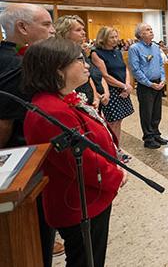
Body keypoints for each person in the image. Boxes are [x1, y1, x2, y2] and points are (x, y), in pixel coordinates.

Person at [22, 38, 127, 267]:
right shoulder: (52, 111)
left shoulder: (60, 99)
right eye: (80, 60)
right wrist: (116, 175)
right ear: (57, 69)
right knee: (86, 260)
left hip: (87, 198)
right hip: (79, 202)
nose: (87, 64)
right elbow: (83, 162)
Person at [0, 3, 59, 265]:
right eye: (46, 24)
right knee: (35, 239)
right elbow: (4, 123)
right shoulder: (17, 66)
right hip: (22, 166)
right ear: (23, 28)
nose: (52, 30)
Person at [91, 27, 134, 156]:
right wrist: (124, 86)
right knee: (111, 122)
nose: (115, 39)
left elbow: (124, 68)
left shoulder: (117, 51)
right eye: (112, 37)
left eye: (116, 36)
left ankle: (117, 148)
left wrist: (127, 85)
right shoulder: (96, 53)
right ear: (103, 38)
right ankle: (110, 151)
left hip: (122, 88)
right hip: (110, 91)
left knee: (119, 121)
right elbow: (105, 75)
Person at [128, 23, 168, 148]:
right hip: (146, 85)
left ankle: (156, 133)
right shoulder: (135, 48)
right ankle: (148, 138)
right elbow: (135, 70)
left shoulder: (156, 47)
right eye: (148, 30)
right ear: (140, 34)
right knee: (147, 112)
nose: (151, 31)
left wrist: (162, 79)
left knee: (157, 112)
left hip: (158, 83)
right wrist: (150, 84)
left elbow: (160, 64)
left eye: (151, 29)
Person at [54, 15, 102, 108]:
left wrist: (96, 96)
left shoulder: (80, 51)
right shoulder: (59, 53)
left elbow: (88, 76)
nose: (83, 33)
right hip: (72, 100)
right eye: (78, 30)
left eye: (83, 29)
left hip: (88, 95)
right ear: (65, 32)